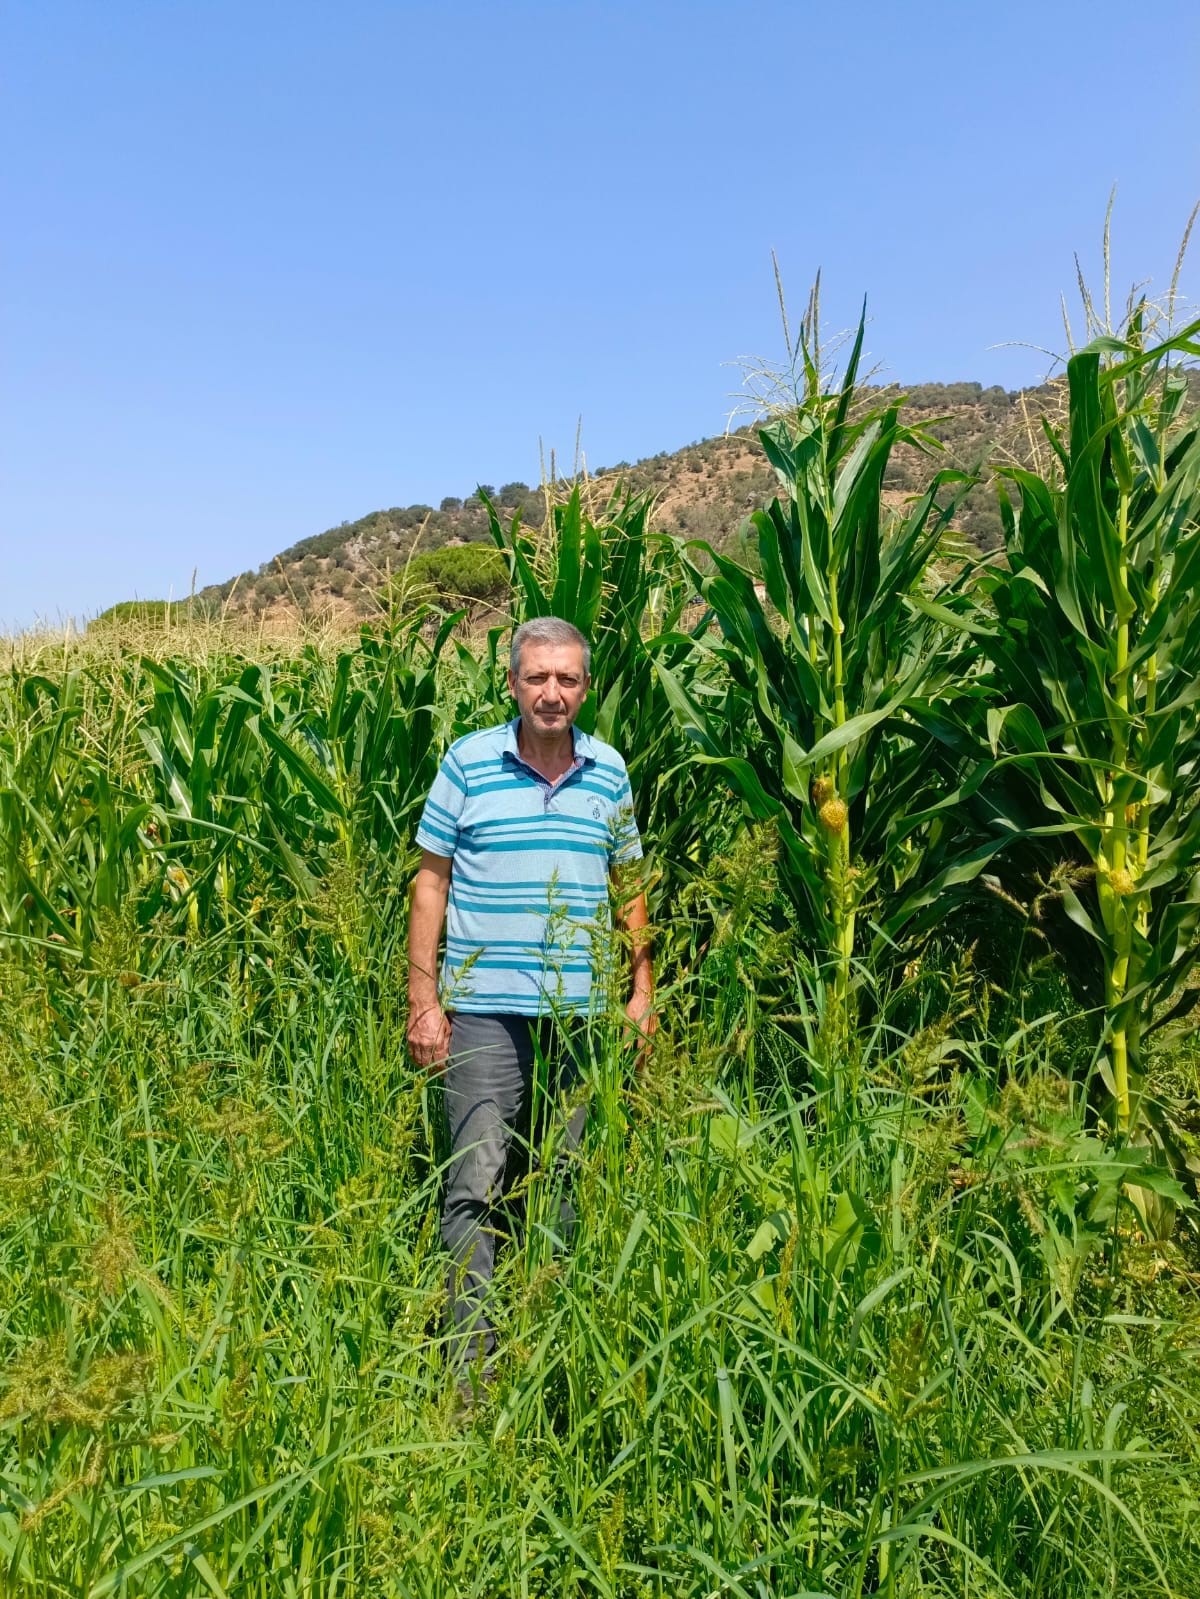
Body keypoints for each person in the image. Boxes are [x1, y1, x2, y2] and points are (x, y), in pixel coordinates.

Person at [407, 615, 654, 1383]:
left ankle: (556, 1358)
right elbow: (430, 882)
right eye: (537, 677)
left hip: (581, 1013)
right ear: (512, 682)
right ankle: (471, 1377)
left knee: (570, 1181)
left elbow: (630, 885)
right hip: (484, 1009)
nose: (552, 692)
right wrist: (423, 998)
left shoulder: (608, 771)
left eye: (567, 678)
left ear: (586, 687)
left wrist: (641, 991)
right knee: (474, 1183)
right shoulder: (468, 762)